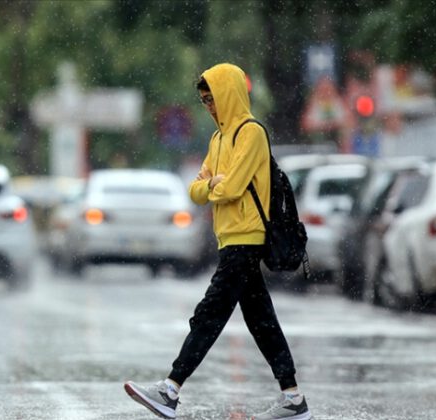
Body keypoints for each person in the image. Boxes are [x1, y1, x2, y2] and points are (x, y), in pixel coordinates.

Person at [124, 63, 312, 420]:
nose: (209, 106)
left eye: (212, 98)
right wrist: (212, 184)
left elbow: (234, 186)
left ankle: (170, 389)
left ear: (229, 94)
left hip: (247, 239)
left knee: (209, 314)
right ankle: (293, 398)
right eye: (203, 100)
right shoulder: (217, 139)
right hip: (228, 238)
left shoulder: (251, 133)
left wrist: (213, 185)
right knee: (262, 321)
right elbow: (196, 191)